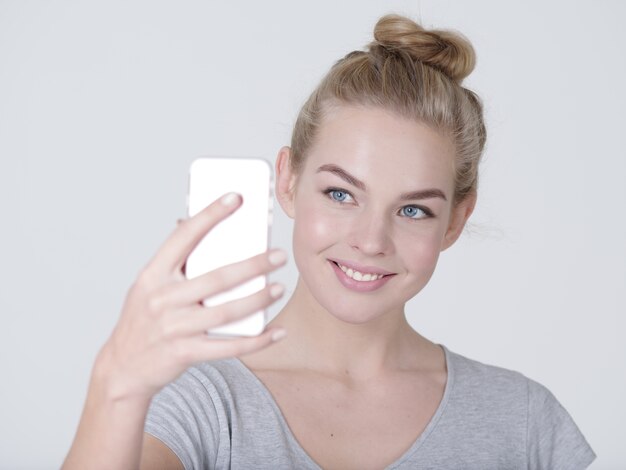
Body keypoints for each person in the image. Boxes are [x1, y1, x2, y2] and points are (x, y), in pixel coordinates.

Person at [62, 14, 595, 470]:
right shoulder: (201, 405)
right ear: (288, 181)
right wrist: (116, 382)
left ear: (455, 220)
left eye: (413, 209)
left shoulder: (522, 421)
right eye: (341, 194)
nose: (370, 240)